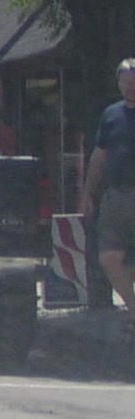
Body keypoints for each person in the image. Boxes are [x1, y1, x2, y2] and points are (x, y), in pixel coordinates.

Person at [79, 58, 135, 340]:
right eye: (125, 81)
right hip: (116, 196)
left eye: (134, 80)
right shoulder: (111, 115)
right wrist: (88, 192)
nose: (130, 86)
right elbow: (99, 157)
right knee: (109, 257)